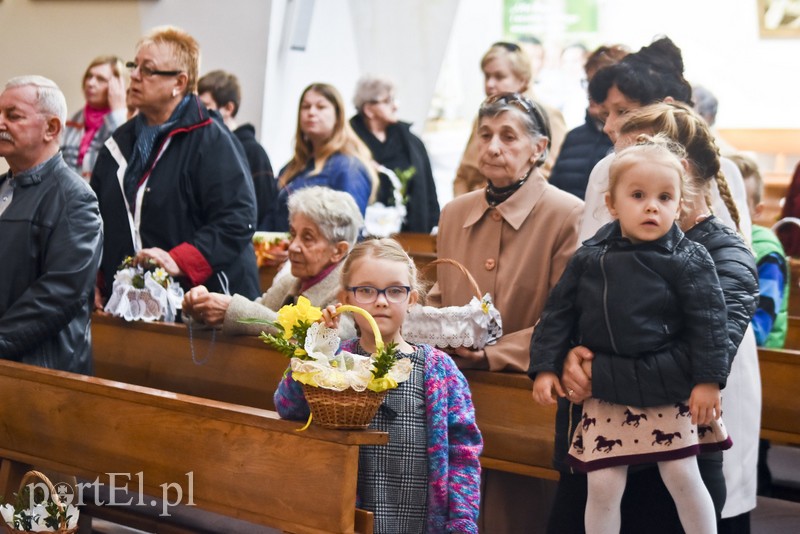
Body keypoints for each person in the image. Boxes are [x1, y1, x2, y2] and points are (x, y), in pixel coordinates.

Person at [556, 102, 759, 534]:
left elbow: (695, 359)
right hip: (607, 442)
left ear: (677, 168)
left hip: (674, 456)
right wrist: (567, 355)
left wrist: (597, 373)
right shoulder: (611, 242)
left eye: (633, 152)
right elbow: (576, 310)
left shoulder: (723, 255)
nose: (618, 166)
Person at [429, 92, 583, 532]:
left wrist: (494, 354)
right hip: (454, 386)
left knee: (514, 512)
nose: (493, 147)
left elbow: (566, 318)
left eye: (508, 136)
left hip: (523, 393)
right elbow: (441, 293)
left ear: (538, 149)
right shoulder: (456, 211)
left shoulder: (566, 214)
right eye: (485, 135)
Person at [274, 238, 483, 533]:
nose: (381, 300)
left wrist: (462, 521)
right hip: (346, 518)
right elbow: (288, 407)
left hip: (417, 520)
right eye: (367, 290)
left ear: (412, 298)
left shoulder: (439, 370)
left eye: (395, 290)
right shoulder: (335, 359)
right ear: (346, 296)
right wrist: (317, 350)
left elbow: (463, 452)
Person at [91, 26, 260, 308]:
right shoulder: (118, 144)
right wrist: (96, 278)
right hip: (129, 302)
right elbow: (95, 219)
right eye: (134, 65)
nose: (133, 75)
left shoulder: (212, 140)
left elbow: (238, 218)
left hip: (202, 302)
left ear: (179, 83)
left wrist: (179, 259)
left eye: (148, 69)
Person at [580, 36, 752, 244]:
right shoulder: (608, 168)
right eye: (606, 113)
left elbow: (735, 255)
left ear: (666, 107)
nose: (609, 126)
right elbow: (587, 254)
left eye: (623, 111)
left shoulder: (723, 169)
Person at [0, 75, 103, 374]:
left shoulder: (75, 199)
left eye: (12, 115)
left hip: (43, 370)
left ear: (52, 128)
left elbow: (60, 293)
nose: (1, 123)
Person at [182, 186, 361, 338]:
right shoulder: (290, 282)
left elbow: (331, 337)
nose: (293, 246)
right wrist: (202, 309)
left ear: (338, 251)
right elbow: (247, 314)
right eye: (293, 234)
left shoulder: (351, 290)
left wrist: (233, 311)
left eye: (307, 238)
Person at [452, 41, 567, 196]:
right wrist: (465, 212)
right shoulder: (481, 118)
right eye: (486, 76)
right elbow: (463, 176)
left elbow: (548, 175)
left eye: (499, 76)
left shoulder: (548, 116)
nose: (489, 84)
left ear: (523, 80)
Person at [275, 83, 376, 231]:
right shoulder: (292, 167)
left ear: (337, 115)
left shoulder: (349, 167)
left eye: (321, 107)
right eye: (306, 107)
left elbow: (350, 232)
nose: (311, 112)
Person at [350, 75, 440, 233]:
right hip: (363, 234)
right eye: (387, 101)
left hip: (410, 234)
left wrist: (434, 224)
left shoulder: (411, 142)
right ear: (369, 109)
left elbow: (429, 189)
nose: (395, 106)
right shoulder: (348, 141)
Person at [198, 69, 278, 231]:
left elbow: (262, 210)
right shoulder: (202, 150)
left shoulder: (255, 153)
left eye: (205, 106)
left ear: (228, 108)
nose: (199, 114)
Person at [548, 44, 628, 200]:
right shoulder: (573, 137)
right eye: (588, 82)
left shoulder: (631, 139)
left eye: (600, 85)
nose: (592, 91)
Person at [733, 153, 789, 348]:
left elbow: (758, 331)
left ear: (757, 210)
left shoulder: (767, 254)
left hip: (763, 362)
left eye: (737, 202)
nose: (728, 207)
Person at [61, 56, 127, 180]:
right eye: (89, 76)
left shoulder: (127, 120)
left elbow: (125, 156)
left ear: (118, 85)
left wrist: (118, 112)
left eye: (100, 79)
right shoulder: (72, 121)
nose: (90, 83)